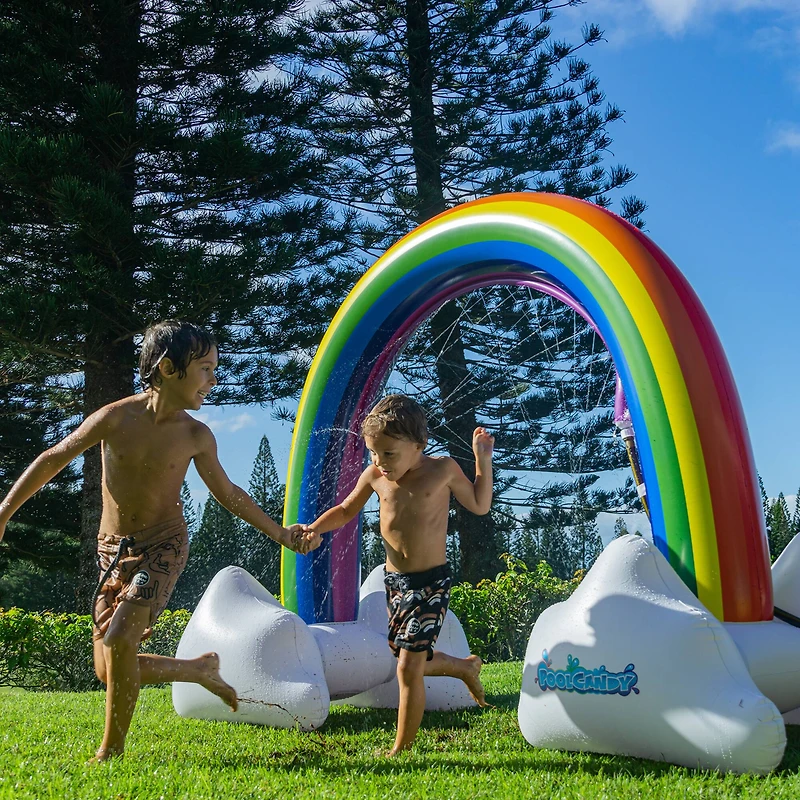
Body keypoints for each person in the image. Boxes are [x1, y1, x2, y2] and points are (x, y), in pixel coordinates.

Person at [0, 320, 315, 763]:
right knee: (109, 668)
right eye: (205, 368)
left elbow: (229, 494)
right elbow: (53, 458)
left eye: (216, 368)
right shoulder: (114, 417)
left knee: (118, 641)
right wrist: (4, 513)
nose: (214, 379)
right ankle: (196, 670)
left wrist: (281, 534)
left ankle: (111, 750)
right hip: (112, 550)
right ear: (168, 368)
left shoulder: (195, 435)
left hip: (163, 545)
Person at [303, 393, 493, 756]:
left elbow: (480, 506)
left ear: (419, 444)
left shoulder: (443, 470)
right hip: (396, 584)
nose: (380, 461)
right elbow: (345, 510)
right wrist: (314, 528)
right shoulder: (375, 475)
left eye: (389, 453)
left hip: (430, 583)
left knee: (408, 666)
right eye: (374, 453)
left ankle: (401, 749)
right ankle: (465, 668)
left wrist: (482, 461)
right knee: (407, 655)